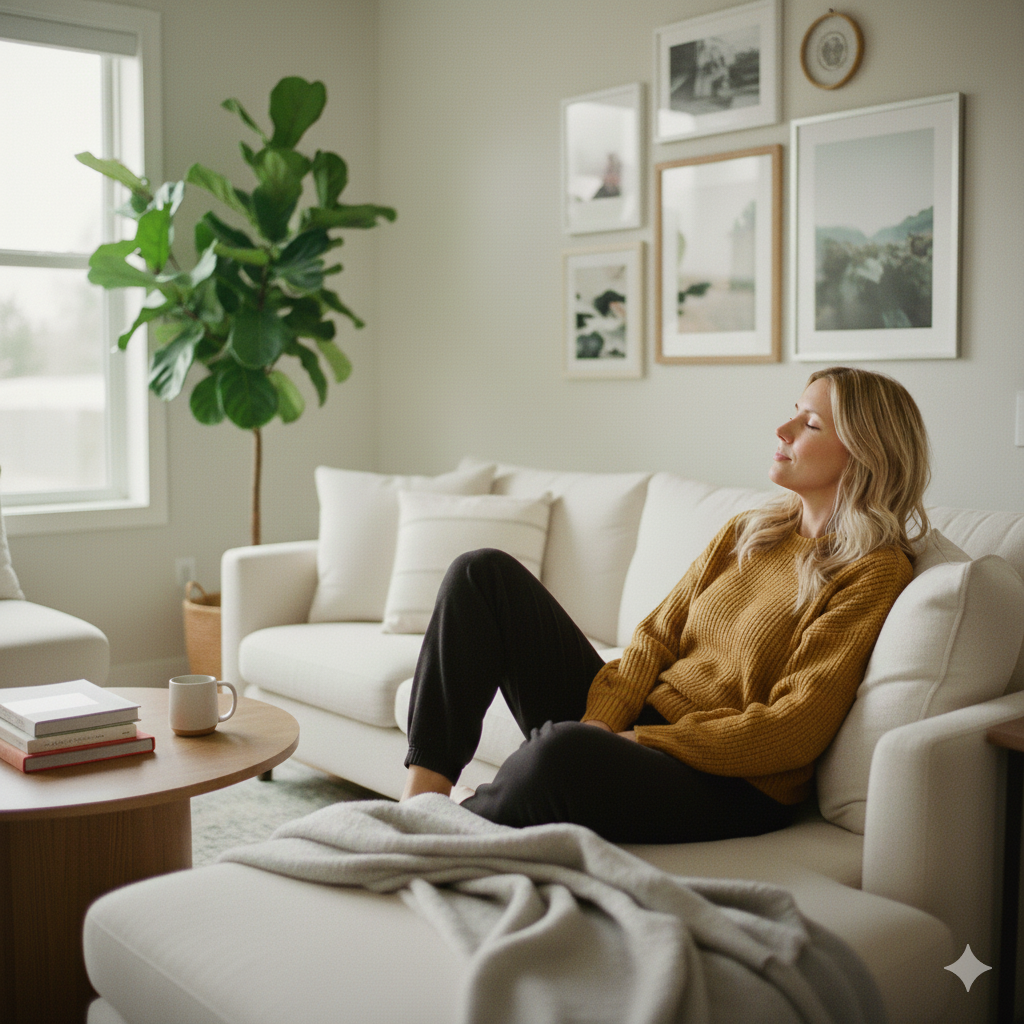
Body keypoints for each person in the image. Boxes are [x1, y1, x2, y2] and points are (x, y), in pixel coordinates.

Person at [399, 367, 930, 845]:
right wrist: (603, 724)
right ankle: (421, 802)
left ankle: (452, 828)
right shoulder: (751, 530)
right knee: (481, 573)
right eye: (793, 414)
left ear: (863, 453)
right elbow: (654, 639)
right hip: (639, 730)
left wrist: (641, 740)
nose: (782, 431)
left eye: (809, 425)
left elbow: (794, 727)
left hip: (729, 781)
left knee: (560, 754)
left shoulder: (872, 569)